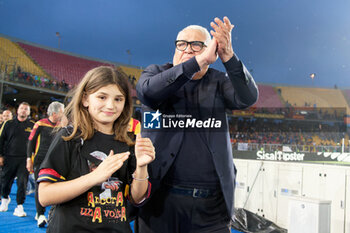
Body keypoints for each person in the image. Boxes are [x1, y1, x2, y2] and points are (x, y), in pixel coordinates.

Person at [136, 17, 258, 232]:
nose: (188, 50)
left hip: (211, 211)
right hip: (160, 205)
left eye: (196, 46)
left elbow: (248, 97)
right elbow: (148, 93)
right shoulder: (155, 73)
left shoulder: (218, 81)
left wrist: (228, 55)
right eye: (182, 44)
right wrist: (197, 62)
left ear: (210, 49)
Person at [37, 66, 155, 233]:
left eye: (118, 99)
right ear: (85, 99)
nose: (110, 105)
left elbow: (136, 198)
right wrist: (95, 177)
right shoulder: (69, 137)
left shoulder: (129, 143)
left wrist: (142, 167)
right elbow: (45, 196)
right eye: (102, 97)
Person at [26, 101, 65, 227]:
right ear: (54, 113)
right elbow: (30, 142)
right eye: (61, 111)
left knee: (57, 186)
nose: (63, 114)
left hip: (56, 160)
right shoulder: (40, 123)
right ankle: (40, 214)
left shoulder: (61, 125)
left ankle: (51, 213)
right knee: (40, 187)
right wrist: (28, 159)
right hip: (40, 160)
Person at [0, 102, 34, 216]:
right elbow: (1, 140)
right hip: (9, 158)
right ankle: (4, 199)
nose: (23, 110)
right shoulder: (8, 124)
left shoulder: (33, 125)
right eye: (21, 108)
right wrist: (0, 156)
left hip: (24, 159)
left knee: (22, 183)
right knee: (5, 181)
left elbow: (35, 143)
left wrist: (31, 158)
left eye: (26, 109)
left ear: (29, 112)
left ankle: (20, 206)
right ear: (17, 110)